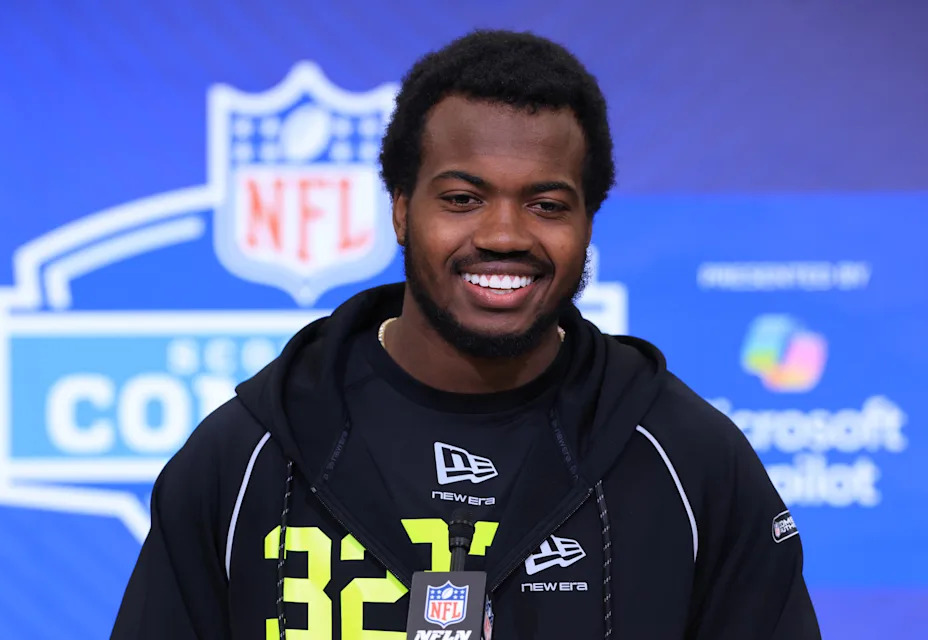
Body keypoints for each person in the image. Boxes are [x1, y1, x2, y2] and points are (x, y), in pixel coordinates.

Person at [112, 30, 821, 639]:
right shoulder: (244, 457)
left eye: (546, 203)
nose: (504, 234)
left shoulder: (690, 460)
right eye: (462, 199)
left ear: (587, 224)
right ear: (400, 210)